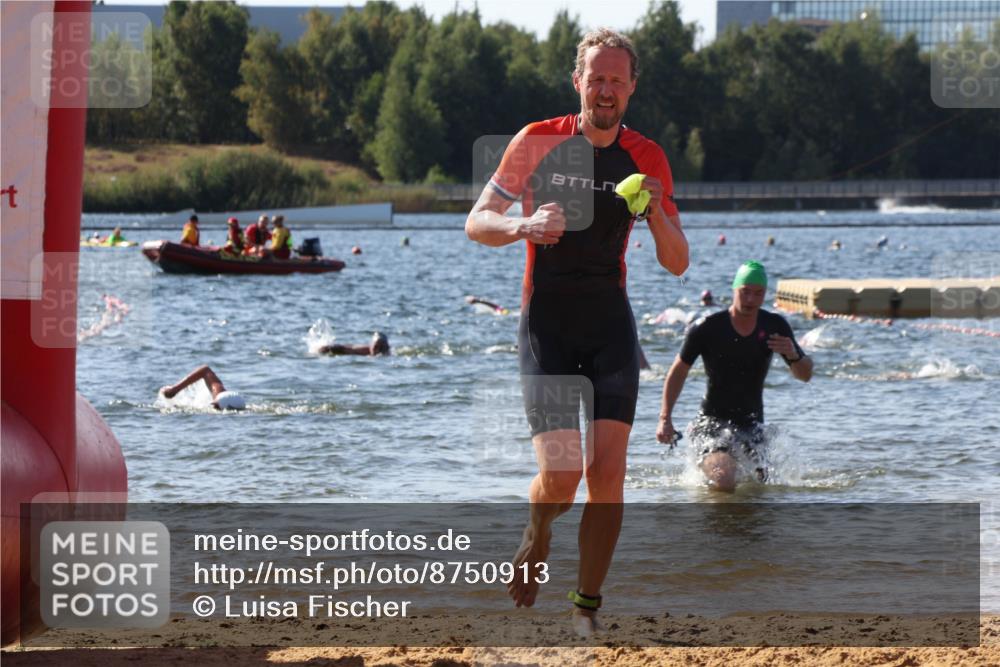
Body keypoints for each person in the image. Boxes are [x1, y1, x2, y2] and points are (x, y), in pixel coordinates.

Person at [464, 28, 689, 635]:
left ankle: (586, 609)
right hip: (547, 326)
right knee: (562, 478)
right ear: (578, 82)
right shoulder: (536, 141)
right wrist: (523, 226)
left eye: (618, 79)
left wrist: (653, 215)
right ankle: (537, 533)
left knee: (607, 476)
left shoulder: (648, 158)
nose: (607, 89)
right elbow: (476, 221)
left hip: (611, 325)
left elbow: (677, 260)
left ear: (633, 87)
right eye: (597, 78)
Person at [656, 261, 813, 492]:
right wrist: (665, 419)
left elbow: (805, 375)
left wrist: (793, 354)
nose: (750, 300)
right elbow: (678, 370)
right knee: (724, 478)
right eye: (745, 292)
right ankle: (715, 527)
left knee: (761, 487)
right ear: (734, 290)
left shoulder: (774, 325)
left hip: (751, 425)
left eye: (758, 294)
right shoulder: (707, 328)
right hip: (709, 424)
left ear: (765, 295)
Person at [159, 365, 246, 411]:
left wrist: (174, 390)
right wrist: (174, 390)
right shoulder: (219, 393)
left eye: (216, 405)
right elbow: (205, 370)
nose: (213, 404)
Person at [318, 332, 390, 356]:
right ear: (371, 345)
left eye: (382, 348)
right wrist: (325, 349)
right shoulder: (361, 351)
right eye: (376, 347)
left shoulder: (388, 354)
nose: (378, 350)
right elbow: (342, 348)